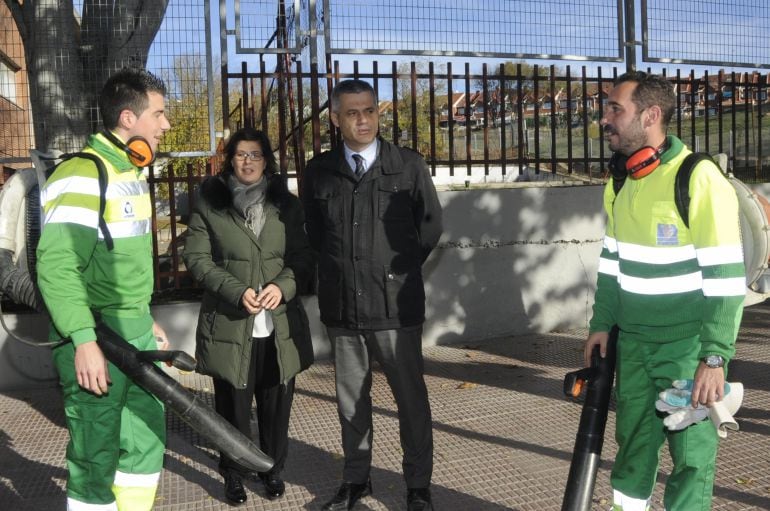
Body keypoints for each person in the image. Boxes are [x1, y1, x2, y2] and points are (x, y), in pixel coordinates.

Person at [585, 71, 745, 510]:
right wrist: (601, 323)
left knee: (691, 461)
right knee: (632, 453)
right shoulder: (619, 182)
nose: (605, 118)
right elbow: (612, 264)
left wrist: (715, 358)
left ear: (651, 115)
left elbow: (726, 279)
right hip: (634, 346)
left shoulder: (698, 178)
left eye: (616, 109)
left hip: (687, 350)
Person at [302, 79, 443, 511]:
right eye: (352, 113)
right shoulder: (319, 171)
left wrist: (397, 271)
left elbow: (430, 226)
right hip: (343, 308)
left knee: (411, 401)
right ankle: (355, 480)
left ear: (378, 113)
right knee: (351, 402)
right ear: (335, 118)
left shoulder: (407, 165)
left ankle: (417, 487)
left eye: (369, 111)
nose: (363, 120)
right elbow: (312, 231)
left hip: (395, 311)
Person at [36, 67, 172, 511]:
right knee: (95, 455)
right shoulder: (81, 173)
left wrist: (144, 318)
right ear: (129, 119)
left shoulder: (128, 173)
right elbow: (57, 267)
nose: (166, 125)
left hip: (132, 330)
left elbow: (120, 265)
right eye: (159, 114)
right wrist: (83, 340)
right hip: (96, 335)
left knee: (147, 435)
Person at [184, 127, 314, 505]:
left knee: (276, 406)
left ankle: (272, 469)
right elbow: (197, 258)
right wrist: (235, 290)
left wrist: (284, 286)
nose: (248, 161)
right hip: (230, 324)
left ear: (267, 160)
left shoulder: (286, 206)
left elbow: (303, 257)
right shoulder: (209, 204)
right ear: (230, 159)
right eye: (241, 154)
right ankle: (234, 473)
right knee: (232, 408)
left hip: (279, 326)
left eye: (256, 155)